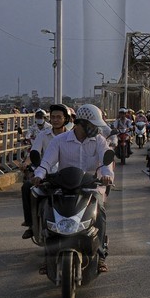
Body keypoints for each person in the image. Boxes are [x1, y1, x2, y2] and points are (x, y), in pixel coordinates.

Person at [32, 104, 114, 269]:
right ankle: (48, 254)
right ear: (80, 124)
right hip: (65, 185)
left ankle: (100, 253)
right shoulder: (59, 140)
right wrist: (39, 175)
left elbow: (106, 162)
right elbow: (47, 162)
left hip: (91, 186)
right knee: (48, 209)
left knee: (100, 213)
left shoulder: (99, 140)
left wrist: (107, 176)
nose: (95, 129)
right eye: (92, 126)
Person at [21, 104, 69, 231]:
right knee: (26, 187)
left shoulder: (71, 136)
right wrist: (27, 162)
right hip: (46, 174)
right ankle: (31, 224)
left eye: (59, 117)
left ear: (66, 119)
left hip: (66, 175)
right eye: (53, 117)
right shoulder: (43, 135)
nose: (55, 120)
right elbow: (34, 152)